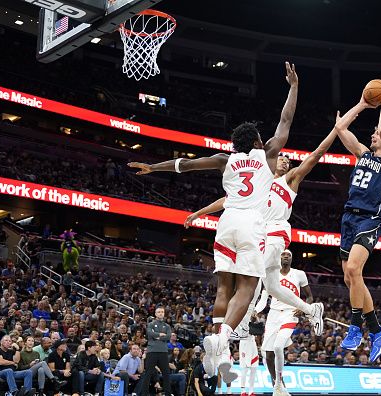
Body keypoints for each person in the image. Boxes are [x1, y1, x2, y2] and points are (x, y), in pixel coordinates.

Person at [129, 62, 297, 381]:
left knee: (224, 287)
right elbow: (286, 120)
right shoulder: (268, 154)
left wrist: (154, 167)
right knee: (247, 288)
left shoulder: (225, 160)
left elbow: (186, 165)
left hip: (226, 222)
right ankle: (221, 340)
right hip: (251, 225)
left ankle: (216, 350)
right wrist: (293, 87)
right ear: (259, 142)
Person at [186, 120, 343, 338]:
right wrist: (199, 213)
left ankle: (241, 325)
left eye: (288, 160)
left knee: (252, 271)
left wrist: (335, 130)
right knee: (272, 287)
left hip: (276, 231)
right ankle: (312, 309)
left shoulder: (290, 180)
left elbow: (316, 155)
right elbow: (227, 199)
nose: (285, 161)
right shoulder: (260, 178)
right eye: (282, 157)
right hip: (256, 231)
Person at [335, 87, 381, 364]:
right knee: (352, 279)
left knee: (353, 268)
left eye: (375, 132)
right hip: (349, 217)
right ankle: (376, 330)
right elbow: (340, 127)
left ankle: (355, 328)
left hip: (370, 219)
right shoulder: (363, 154)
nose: (373, 134)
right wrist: (362, 103)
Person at [256, 249, 314, 396]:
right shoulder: (271, 274)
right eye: (283, 254)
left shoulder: (299, 274)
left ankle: (277, 385)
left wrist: (303, 308)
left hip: (290, 314)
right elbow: (264, 298)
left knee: (277, 347)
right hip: (273, 314)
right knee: (268, 355)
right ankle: (279, 384)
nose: (286, 256)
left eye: (288, 255)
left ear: (292, 258)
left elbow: (310, 297)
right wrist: (255, 311)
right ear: (278, 257)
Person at [137, 307, 172, 396]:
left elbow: (168, 337)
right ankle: (145, 394)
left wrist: (157, 336)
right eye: (159, 312)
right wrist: (160, 334)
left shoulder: (167, 326)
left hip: (163, 352)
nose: (161, 313)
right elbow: (150, 333)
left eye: (162, 312)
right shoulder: (151, 324)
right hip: (152, 351)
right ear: (155, 314)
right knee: (148, 373)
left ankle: (168, 393)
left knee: (166, 374)